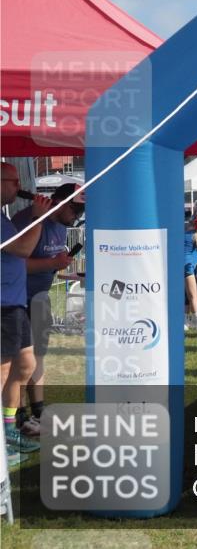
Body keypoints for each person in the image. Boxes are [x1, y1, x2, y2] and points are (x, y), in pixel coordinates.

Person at [11, 182, 83, 438]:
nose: (78, 217)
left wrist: (61, 266)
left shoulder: (61, 227)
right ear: (61, 202)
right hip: (18, 299)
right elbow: (16, 262)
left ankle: (38, 412)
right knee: (20, 362)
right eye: (76, 210)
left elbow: (50, 264)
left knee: (38, 357)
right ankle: (18, 418)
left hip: (40, 297)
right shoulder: (28, 220)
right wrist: (53, 262)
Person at [1, 163, 50, 462]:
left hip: (13, 303)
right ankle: (3, 437)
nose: (17, 186)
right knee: (4, 369)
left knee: (25, 365)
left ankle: (9, 428)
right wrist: (39, 218)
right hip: (3, 304)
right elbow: (24, 249)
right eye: (12, 181)